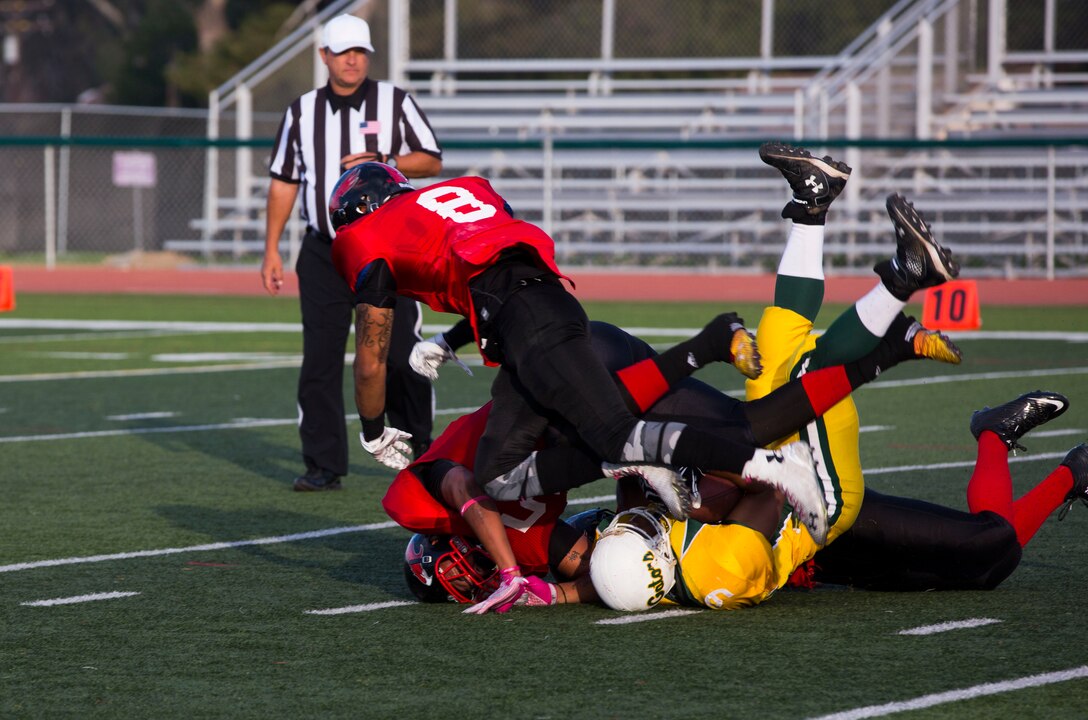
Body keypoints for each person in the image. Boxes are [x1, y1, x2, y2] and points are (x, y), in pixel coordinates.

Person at [326, 160, 847, 538]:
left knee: (618, 436)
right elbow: (497, 263)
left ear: (353, 215)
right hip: (536, 314)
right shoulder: (464, 192)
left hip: (531, 324)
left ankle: (771, 465)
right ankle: (638, 464)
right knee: (499, 474)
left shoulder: (366, 237)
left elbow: (372, 357)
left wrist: (374, 431)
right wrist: (448, 340)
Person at [589, 142, 965, 611]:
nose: (640, 522)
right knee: (809, 375)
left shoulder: (627, 562)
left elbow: (596, 540)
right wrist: (691, 485)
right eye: (643, 531)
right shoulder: (718, 570)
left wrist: (641, 474)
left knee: (774, 338)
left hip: (774, 455)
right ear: (661, 564)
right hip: (815, 492)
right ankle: (905, 278)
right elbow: (768, 486)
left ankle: (813, 203)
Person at [261, 14, 444, 492]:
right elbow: (284, 182)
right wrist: (271, 249)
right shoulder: (301, 112)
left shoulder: (394, 102)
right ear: (324, 56)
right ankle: (323, 464)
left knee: (404, 352)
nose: (352, 60)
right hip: (324, 251)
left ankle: (420, 454)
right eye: (343, 52)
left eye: (359, 52)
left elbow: (430, 158)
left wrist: (386, 161)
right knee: (320, 359)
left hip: (387, 250)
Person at [794, 390, 1087, 592]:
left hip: (829, 517)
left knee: (993, 538)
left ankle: (993, 435)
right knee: (987, 571)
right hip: (814, 559)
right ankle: (1076, 472)